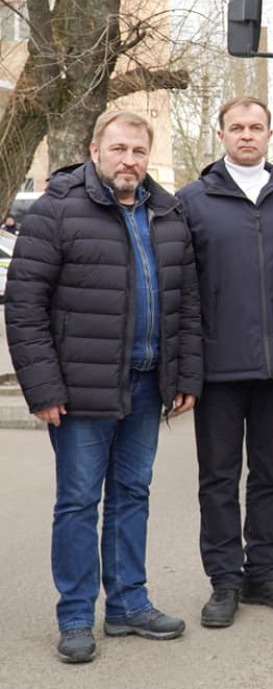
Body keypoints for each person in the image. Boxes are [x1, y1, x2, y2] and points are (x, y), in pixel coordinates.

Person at [5, 109, 202, 663]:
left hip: (147, 384)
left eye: (138, 151)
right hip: (80, 390)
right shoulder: (57, 210)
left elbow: (186, 305)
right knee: (78, 502)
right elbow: (24, 306)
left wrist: (185, 374)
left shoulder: (167, 213)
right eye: (118, 149)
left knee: (132, 495)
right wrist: (43, 388)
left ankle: (128, 605)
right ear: (95, 151)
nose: (128, 160)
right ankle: (74, 618)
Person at [177, 97, 273, 629]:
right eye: (237, 127)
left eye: (256, 127)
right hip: (218, 368)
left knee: (270, 474)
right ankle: (224, 580)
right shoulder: (192, 202)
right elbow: (181, 288)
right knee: (218, 477)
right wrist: (186, 364)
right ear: (222, 134)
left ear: (270, 134)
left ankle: (264, 572)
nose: (247, 135)